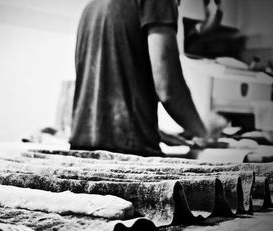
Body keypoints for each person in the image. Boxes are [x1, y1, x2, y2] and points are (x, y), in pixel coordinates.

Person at [69, 0, 224, 156]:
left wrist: (154, 132)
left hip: (81, 151)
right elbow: (168, 88)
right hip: (128, 156)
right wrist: (204, 135)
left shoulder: (91, 7)